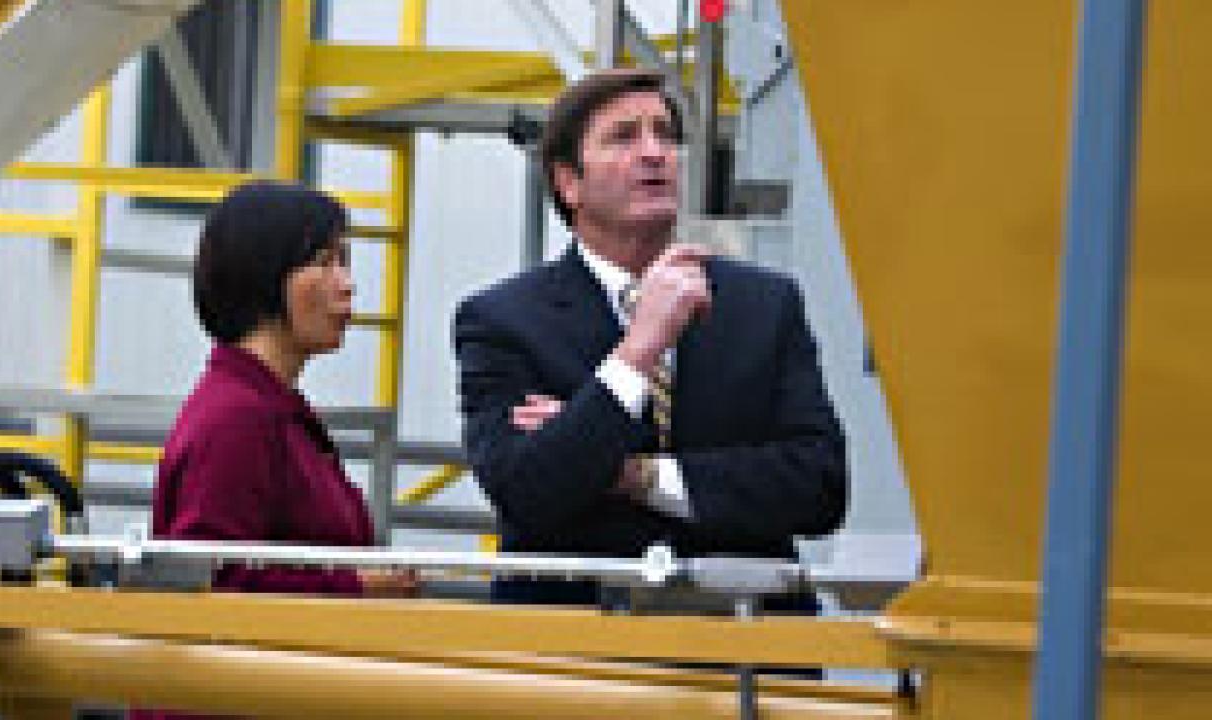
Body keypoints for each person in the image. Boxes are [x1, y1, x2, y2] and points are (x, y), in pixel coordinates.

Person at [453, 70, 848, 609]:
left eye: (664, 134)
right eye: (623, 137)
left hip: (743, 658)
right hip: (573, 660)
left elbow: (819, 488)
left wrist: (635, 475)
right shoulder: (501, 320)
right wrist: (637, 351)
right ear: (568, 182)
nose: (654, 152)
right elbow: (528, 492)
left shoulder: (766, 304)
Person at [131, 181, 412, 720]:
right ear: (265, 276)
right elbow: (212, 579)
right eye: (325, 263)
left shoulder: (268, 408)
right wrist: (356, 586)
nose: (348, 286)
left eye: (346, 263)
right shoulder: (239, 420)